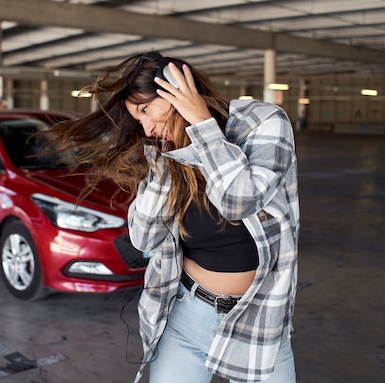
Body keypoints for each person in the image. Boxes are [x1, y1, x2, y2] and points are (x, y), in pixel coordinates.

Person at [43, 52, 299, 383]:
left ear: (177, 90)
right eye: (138, 121)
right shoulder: (166, 155)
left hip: (259, 318)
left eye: (146, 110)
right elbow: (143, 237)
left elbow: (240, 200)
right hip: (186, 315)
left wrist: (201, 125)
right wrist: (164, 165)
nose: (147, 128)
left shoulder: (262, 121)